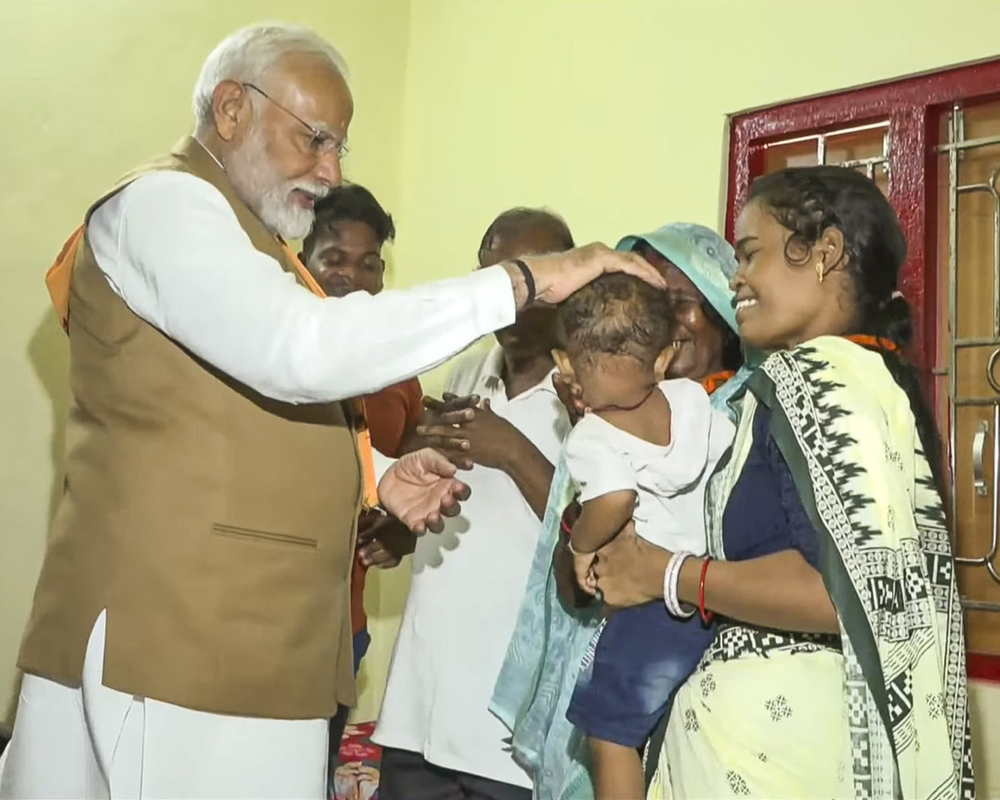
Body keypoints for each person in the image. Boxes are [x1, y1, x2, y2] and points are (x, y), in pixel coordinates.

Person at [0, 23, 663, 800]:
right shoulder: (165, 204)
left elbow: (228, 422)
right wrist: (526, 279)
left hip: (242, 647)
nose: (330, 169)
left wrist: (377, 477)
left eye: (339, 146)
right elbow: (300, 351)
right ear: (231, 109)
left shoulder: (249, 243)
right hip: (172, 641)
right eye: (315, 139)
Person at [592, 167, 974, 800]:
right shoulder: (851, 385)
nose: (736, 277)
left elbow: (842, 590)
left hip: (790, 763)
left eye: (750, 253)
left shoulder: (827, 383)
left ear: (824, 254)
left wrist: (665, 572)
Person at [490, 222, 749, 800]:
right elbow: (573, 587)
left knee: (610, 732)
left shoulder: (753, 409)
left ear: (723, 309)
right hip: (648, 626)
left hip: (709, 674)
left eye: (679, 303)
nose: (670, 325)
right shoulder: (662, 410)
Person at [373, 208, 576, 800]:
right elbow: (465, 509)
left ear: (563, 284)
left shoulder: (588, 391)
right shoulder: (467, 371)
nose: (508, 305)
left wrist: (512, 450)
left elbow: (596, 540)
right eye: (493, 284)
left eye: (525, 285)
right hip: (420, 705)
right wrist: (402, 529)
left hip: (508, 730)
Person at [552, 273, 733, 799]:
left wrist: (581, 544)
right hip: (712, 588)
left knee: (607, 730)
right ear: (660, 360)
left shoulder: (593, 436)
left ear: (565, 364)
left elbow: (614, 501)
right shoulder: (692, 400)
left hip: (652, 606)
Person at [297, 183, 420, 786]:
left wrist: (400, 529)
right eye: (335, 259)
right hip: (266, 619)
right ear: (304, 259)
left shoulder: (397, 372)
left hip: (345, 626)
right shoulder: (274, 351)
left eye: (369, 262)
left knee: (312, 777)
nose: (354, 276)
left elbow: (417, 478)